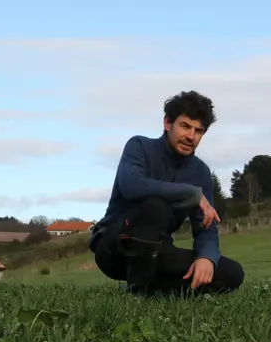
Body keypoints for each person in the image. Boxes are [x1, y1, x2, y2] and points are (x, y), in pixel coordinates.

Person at [89, 90, 245, 298]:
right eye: (185, 126)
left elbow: (206, 226)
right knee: (156, 206)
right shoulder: (139, 146)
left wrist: (206, 257)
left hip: (158, 252)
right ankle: (139, 291)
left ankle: (157, 289)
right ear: (167, 123)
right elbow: (132, 186)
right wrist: (193, 194)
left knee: (231, 273)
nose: (191, 136)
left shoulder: (200, 172)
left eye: (198, 131)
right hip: (115, 246)